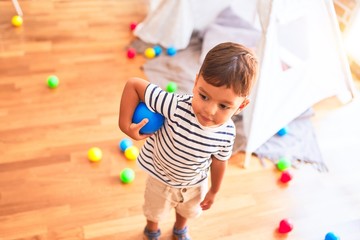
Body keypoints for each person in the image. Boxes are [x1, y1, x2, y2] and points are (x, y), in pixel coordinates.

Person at [118, 42, 258, 240]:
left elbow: (219, 161)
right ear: (195, 82)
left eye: (224, 106)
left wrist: (214, 190)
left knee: (186, 211)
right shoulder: (174, 105)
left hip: (194, 184)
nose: (209, 110)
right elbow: (133, 85)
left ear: (241, 106)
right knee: (154, 211)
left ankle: (179, 230)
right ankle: (151, 231)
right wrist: (125, 126)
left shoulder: (227, 133)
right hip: (160, 177)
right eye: (203, 96)